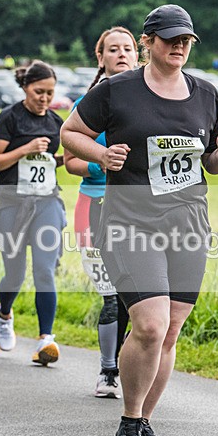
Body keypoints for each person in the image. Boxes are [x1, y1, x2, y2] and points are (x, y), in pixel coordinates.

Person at [60, 5, 218, 436]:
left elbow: (213, 166)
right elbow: (70, 133)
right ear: (148, 42)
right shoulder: (117, 90)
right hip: (130, 222)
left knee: (171, 330)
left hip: (189, 224)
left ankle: (144, 424)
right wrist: (101, 155)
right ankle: (128, 421)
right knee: (150, 325)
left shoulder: (206, 93)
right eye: (171, 38)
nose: (179, 46)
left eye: (187, 40)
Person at [0, 61, 65, 366]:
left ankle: (45, 338)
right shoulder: (9, 118)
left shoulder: (56, 121)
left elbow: (50, 161)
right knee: (16, 271)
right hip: (12, 202)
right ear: (25, 87)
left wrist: (62, 158)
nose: (44, 98)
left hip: (46, 200)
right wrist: (27, 149)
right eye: (39, 92)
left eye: (49, 92)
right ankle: (5, 314)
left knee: (45, 269)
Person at [63, 27, 138, 398]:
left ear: (139, 54)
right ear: (101, 57)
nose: (122, 53)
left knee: (136, 295)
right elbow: (69, 161)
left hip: (140, 210)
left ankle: (131, 366)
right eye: (113, 49)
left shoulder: (151, 99)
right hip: (94, 206)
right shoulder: (91, 101)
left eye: (128, 48)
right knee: (111, 294)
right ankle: (108, 372)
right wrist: (103, 163)